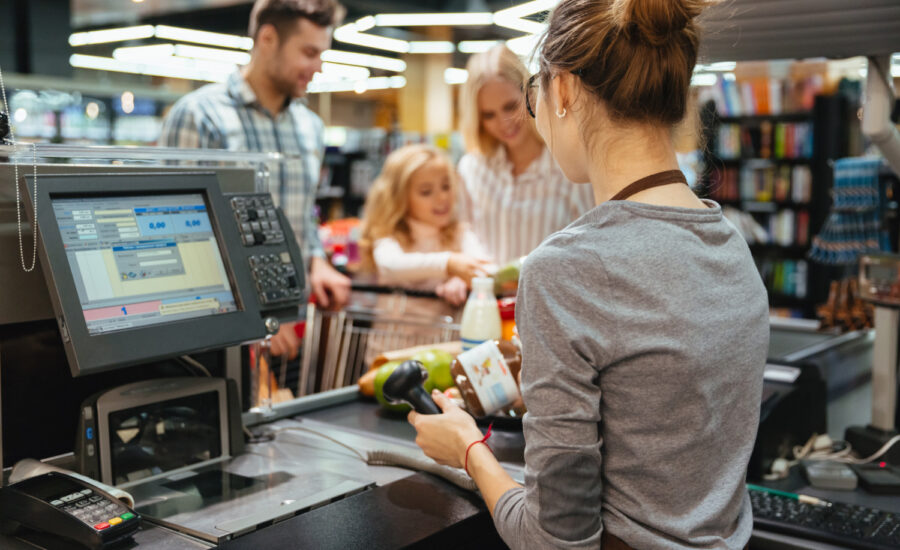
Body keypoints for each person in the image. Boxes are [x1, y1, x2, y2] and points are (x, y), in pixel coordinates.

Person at [408, 1, 768, 549]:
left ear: (565, 90)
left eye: (533, 94)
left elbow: (555, 540)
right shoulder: (731, 246)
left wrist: (467, 449)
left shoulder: (566, 269)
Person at [159, 0, 350, 358]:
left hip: (291, 324)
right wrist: (253, 316)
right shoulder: (201, 116)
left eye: (322, 54)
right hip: (219, 332)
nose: (318, 67)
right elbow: (178, 236)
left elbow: (301, 212)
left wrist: (316, 259)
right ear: (268, 38)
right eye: (309, 52)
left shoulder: (310, 128)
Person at [456, 44, 594, 266]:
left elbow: (592, 241)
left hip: (550, 297)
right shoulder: (471, 169)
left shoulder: (569, 166)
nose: (504, 123)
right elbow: (461, 230)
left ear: (531, 93)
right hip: (487, 298)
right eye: (489, 115)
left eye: (510, 107)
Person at [359, 144, 490, 307]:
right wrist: (449, 264)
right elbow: (390, 265)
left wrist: (462, 279)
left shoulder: (459, 233)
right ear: (400, 198)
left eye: (446, 186)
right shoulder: (389, 235)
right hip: (393, 332)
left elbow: (486, 269)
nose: (442, 197)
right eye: (426, 191)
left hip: (446, 332)